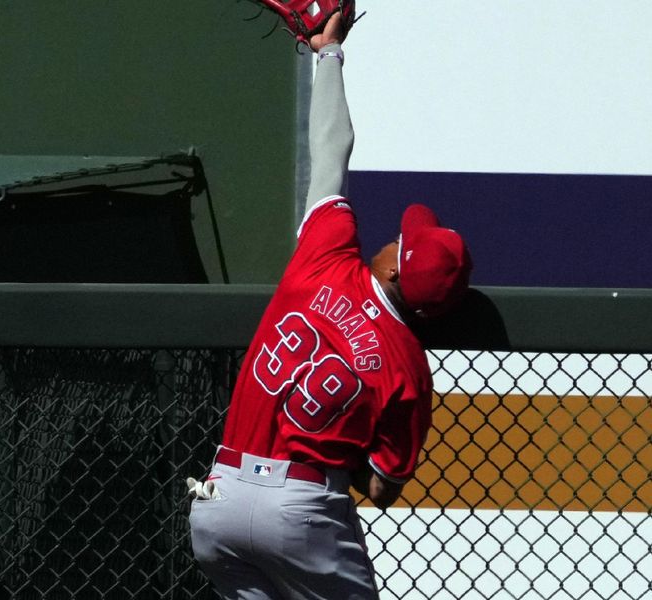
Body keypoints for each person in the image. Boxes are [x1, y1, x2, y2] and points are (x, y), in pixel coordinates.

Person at [188, 12, 472, 600]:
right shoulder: (409, 367)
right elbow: (383, 487)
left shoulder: (328, 254)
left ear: (394, 268)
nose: (392, 237)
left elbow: (331, 151)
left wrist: (329, 53)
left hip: (218, 496)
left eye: (400, 239)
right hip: (302, 509)